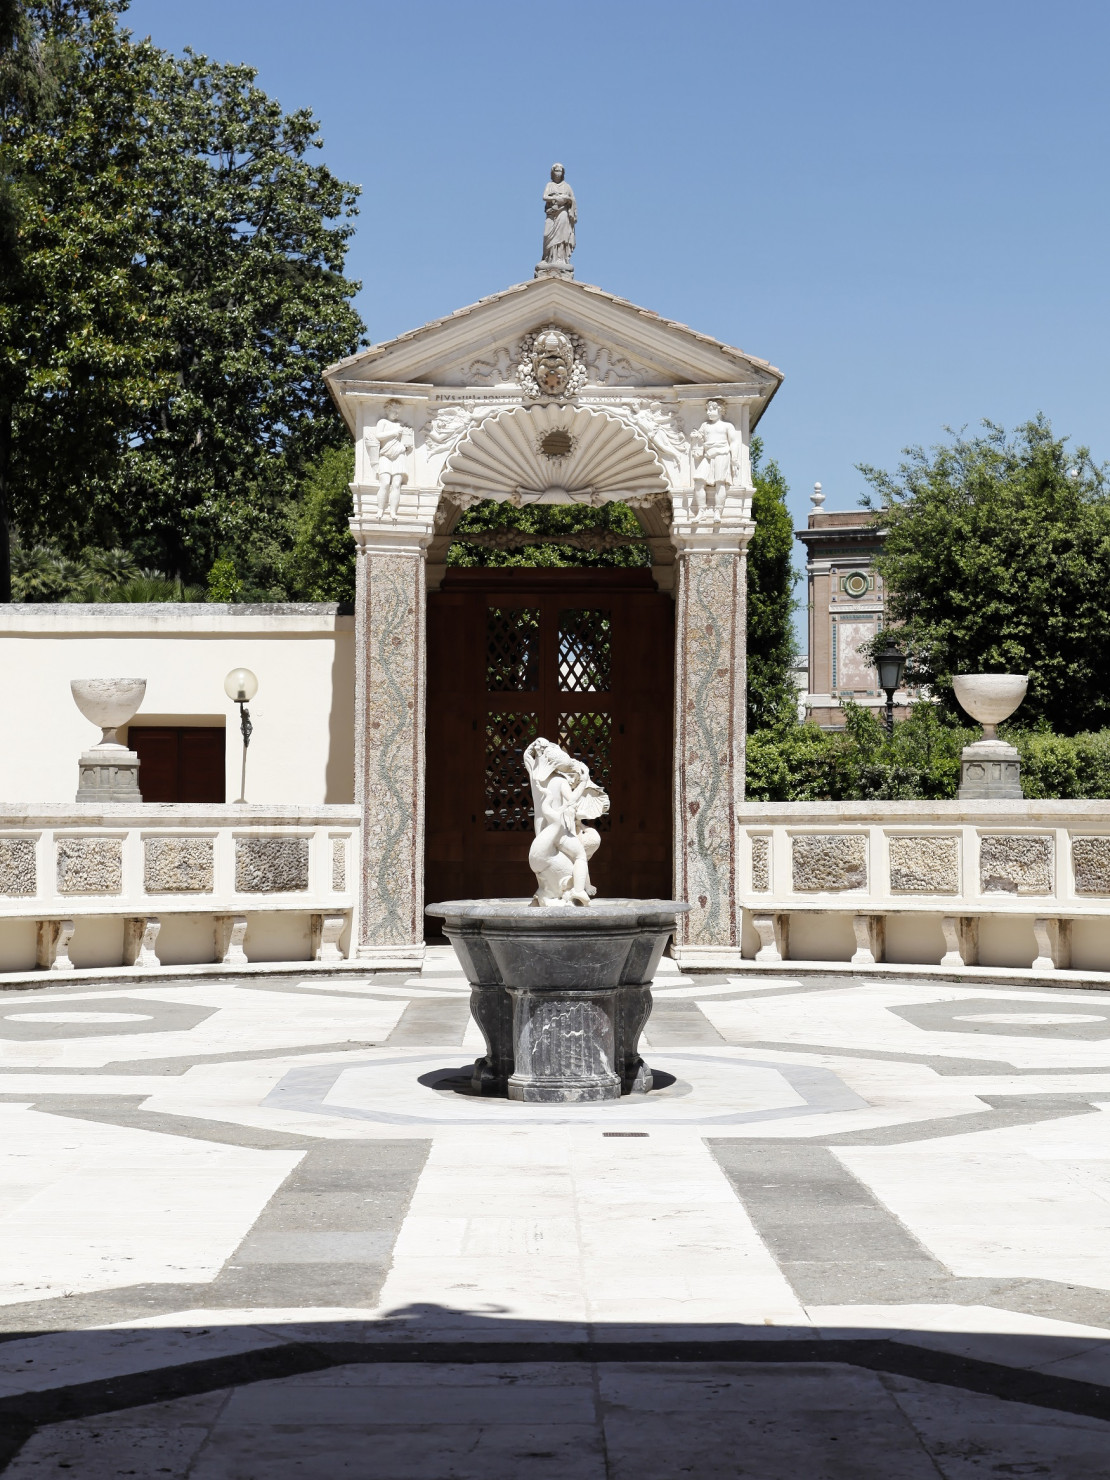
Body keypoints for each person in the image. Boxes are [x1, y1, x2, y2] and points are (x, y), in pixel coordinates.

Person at [524, 738, 608, 906]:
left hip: (542, 831)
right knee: (580, 855)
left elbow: (526, 755)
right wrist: (583, 782)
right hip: (559, 832)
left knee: (546, 863)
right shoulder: (560, 781)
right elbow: (572, 800)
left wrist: (538, 746)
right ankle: (579, 890)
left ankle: (546, 892)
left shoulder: (535, 777)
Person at [363, 401, 413, 520]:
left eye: (398, 412)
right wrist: (394, 432)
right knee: (385, 483)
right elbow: (378, 436)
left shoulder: (400, 425)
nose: (396, 414)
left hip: (399, 455)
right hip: (385, 455)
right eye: (394, 411)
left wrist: (405, 443)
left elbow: (407, 442)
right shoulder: (383, 422)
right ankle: (380, 509)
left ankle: (393, 511)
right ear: (388, 410)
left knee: (396, 484)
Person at [541, 164, 576, 268]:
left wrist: (566, 199)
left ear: (563, 173)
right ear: (552, 173)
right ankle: (548, 258)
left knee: (562, 235)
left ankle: (560, 258)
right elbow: (544, 197)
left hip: (563, 212)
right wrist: (555, 198)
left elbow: (572, 200)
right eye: (556, 171)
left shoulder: (567, 186)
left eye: (560, 171)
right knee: (547, 234)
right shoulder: (549, 185)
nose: (558, 173)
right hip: (552, 213)